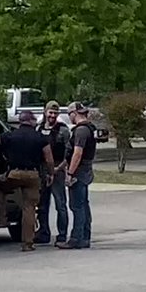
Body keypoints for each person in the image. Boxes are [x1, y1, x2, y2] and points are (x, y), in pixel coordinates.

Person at [0, 110, 53, 252]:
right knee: (29, 208)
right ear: (31, 121)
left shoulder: (10, 135)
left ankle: (1, 218)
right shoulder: (40, 137)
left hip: (14, 174)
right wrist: (50, 173)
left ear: (20, 121)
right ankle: (28, 243)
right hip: (33, 176)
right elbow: (49, 159)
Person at [58, 101, 97, 250]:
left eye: (70, 115)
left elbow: (77, 153)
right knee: (84, 205)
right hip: (86, 170)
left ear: (74, 113)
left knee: (77, 206)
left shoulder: (80, 131)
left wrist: (70, 173)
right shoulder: (89, 129)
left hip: (79, 172)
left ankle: (76, 238)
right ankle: (85, 236)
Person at [36, 100, 71, 245]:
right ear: (45, 112)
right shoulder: (38, 129)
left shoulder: (63, 130)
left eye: (55, 113)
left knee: (60, 204)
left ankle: (62, 234)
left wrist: (60, 168)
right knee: (42, 204)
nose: (52, 116)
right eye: (50, 112)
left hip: (58, 169)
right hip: (42, 170)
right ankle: (43, 233)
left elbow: (69, 153)